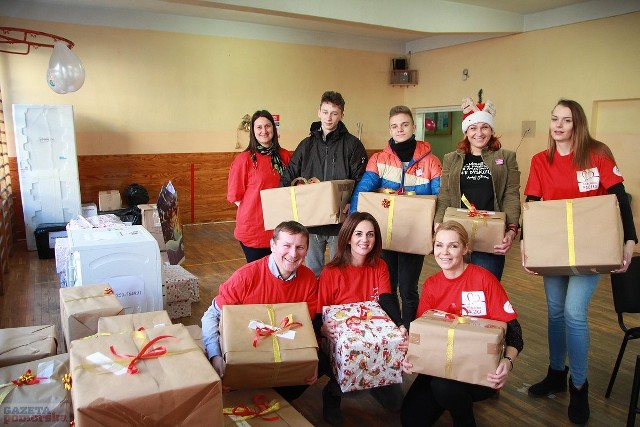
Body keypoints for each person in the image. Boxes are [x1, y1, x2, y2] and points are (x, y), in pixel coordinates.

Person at [523, 99, 637, 425]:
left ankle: (579, 385)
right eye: (554, 118)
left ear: (578, 124)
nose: (558, 125)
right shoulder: (540, 160)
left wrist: (629, 241)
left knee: (574, 312)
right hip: (554, 249)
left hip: (592, 249)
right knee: (555, 312)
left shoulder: (597, 154)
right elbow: (532, 205)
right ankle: (557, 373)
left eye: (567, 120)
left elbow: (619, 198)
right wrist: (528, 247)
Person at [401, 220, 523, 427]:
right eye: (439, 245)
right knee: (411, 420)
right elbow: (424, 334)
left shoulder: (484, 279)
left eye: (453, 246)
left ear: (465, 249)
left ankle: (464, 420)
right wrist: (409, 353)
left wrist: (507, 363)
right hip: (440, 365)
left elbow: (515, 332)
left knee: (443, 388)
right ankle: (452, 401)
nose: (444, 252)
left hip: (481, 370)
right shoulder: (432, 284)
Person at [201, 220, 319, 402]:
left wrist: (311, 360)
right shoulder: (245, 277)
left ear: (307, 250)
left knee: (322, 364)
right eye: (286, 245)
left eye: (300, 247)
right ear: (272, 245)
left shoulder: (309, 279)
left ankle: (277, 403)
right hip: (244, 353)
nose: (293, 254)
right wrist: (216, 357)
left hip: (283, 354)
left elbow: (307, 327)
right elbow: (211, 316)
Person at [350, 105, 442, 328]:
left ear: (413, 126)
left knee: (408, 289)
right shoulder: (379, 159)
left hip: (414, 234)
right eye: (394, 126)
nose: (399, 129)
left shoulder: (432, 161)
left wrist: (437, 228)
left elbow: (441, 196)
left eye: (404, 124)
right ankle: (390, 333)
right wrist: (354, 219)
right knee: (387, 287)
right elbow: (363, 190)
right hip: (385, 234)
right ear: (389, 129)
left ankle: (409, 335)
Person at [316, 212, 407, 425]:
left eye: (370, 234)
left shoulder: (380, 266)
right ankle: (332, 393)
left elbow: (385, 297)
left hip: (375, 345)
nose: (364, 240)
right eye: (358, 234)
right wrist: (321, 330)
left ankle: (373, 382)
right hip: (343, 344)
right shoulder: (331, 272)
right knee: (352, 385)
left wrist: (401, 325)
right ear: (348, 237)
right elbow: (321, 311)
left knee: (396, 404)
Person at [280, 91, 368, 277]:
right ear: (319, 112)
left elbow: (362, 180)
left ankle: (336, 306)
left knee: (340, 273)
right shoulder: (306, 145)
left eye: (334, 113)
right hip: (310, 224)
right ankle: (316, 306)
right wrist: (288, 203)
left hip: (340, 224)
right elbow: (288, 176)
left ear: (342, 115)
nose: (329, 117)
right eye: (325, 112)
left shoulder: (353, 145)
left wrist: (354, 204)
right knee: (312, 273)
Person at [434, 95, 520, 281]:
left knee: (485, 290)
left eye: (484, 127)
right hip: (457, 233)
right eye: (473, 128)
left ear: (491, 130)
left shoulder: (506, 157)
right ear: (466, 131)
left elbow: (511, 195)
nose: (479, 133)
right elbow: (445, 193)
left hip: (491, 234)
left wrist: (512, 230)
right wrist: (439, 222)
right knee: (457, 289)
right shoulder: (452, 159)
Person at [227, 110, 291, 263]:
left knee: (280, 276)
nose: (264, 131)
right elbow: (236, 197)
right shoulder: (244, 160)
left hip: (281, 229)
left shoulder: (285, 157)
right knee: (259, 277)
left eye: (267, 126)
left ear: (274, 129)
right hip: (254, 230)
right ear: (253, 131)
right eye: (259, 127)